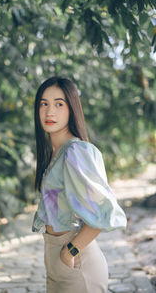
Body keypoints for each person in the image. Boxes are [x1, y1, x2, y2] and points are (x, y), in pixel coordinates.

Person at [32, 76, 127, 293]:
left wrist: (69, 252)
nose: (49, 112)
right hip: (57, 262)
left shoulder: (76, 152)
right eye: (43, 104)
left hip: (76, 264)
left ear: (71, 108)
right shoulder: (57, 153)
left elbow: (102, 212)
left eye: (59, 104)